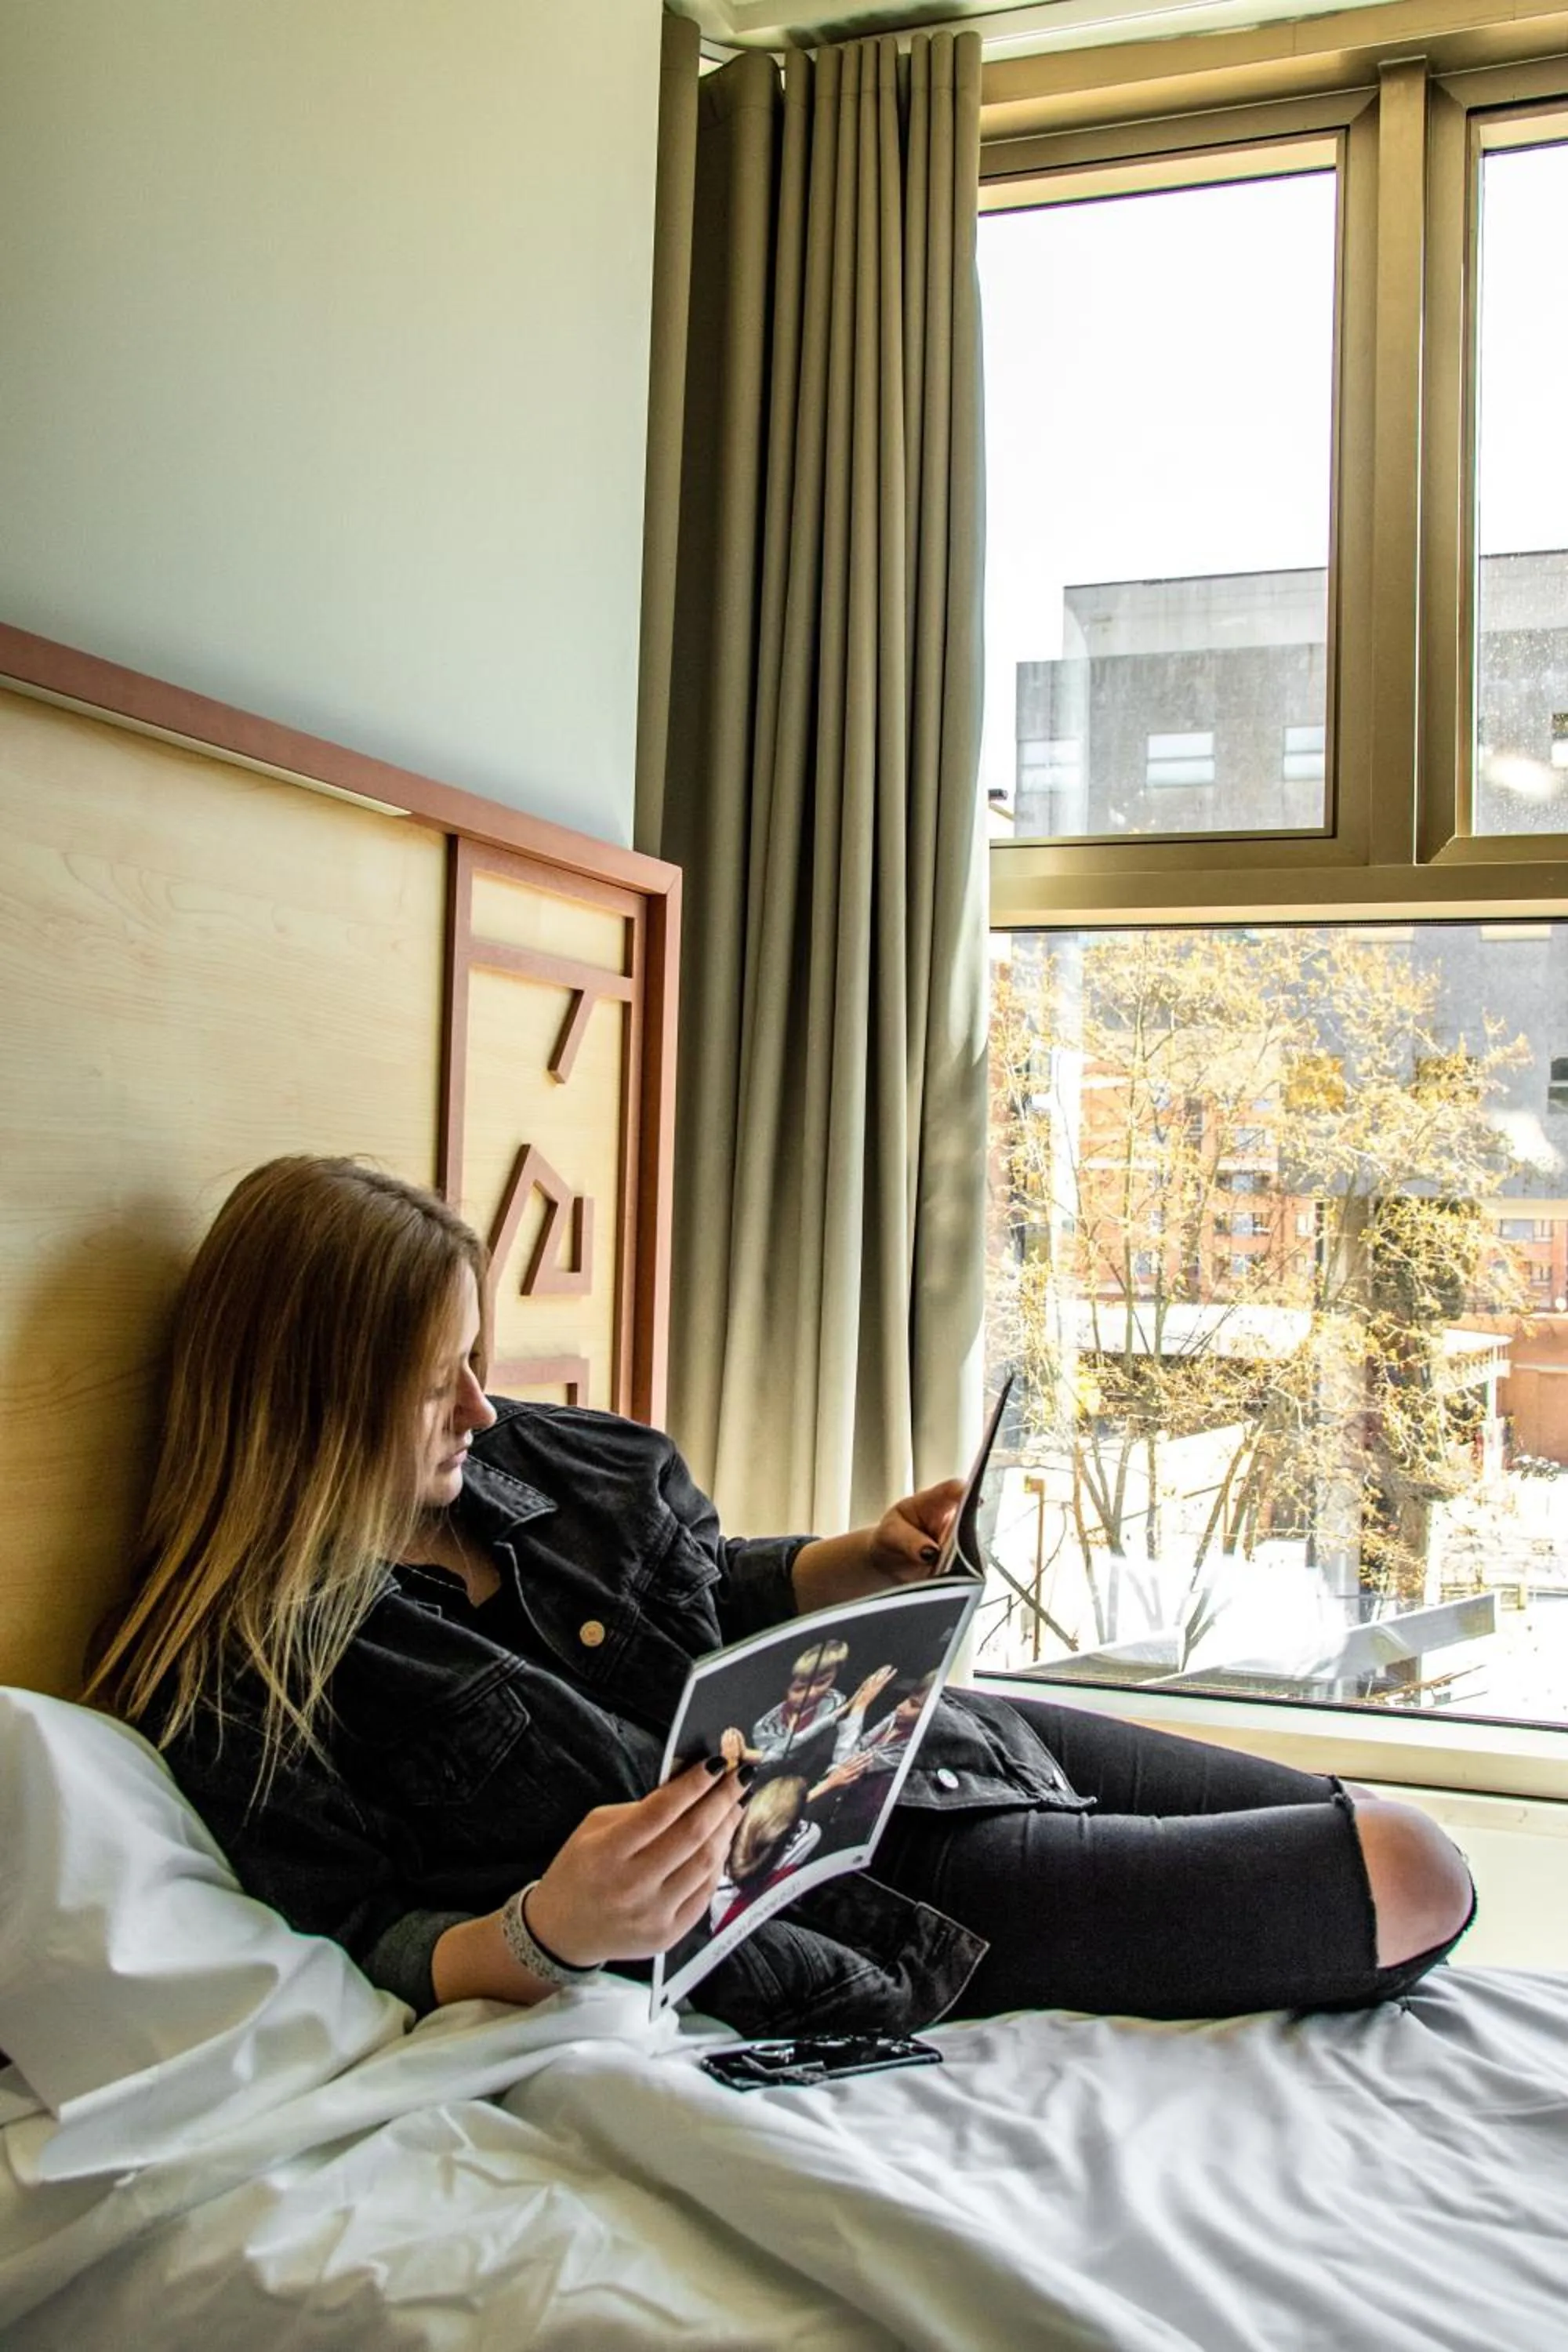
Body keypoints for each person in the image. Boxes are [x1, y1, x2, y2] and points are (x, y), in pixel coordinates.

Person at [85, 1156, 1475, 2038]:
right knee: (1411, 1877)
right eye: (437, 1374)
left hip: (929, 1742)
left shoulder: (534, 1466)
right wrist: (546, 1932)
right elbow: (346, 1944)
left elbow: (705, 1590)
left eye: (478, 1357)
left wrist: (854, 1566)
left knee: (1376, 1829)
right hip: (875, 1899)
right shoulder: (233, 1680)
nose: (479, 1405)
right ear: (314, 1395)